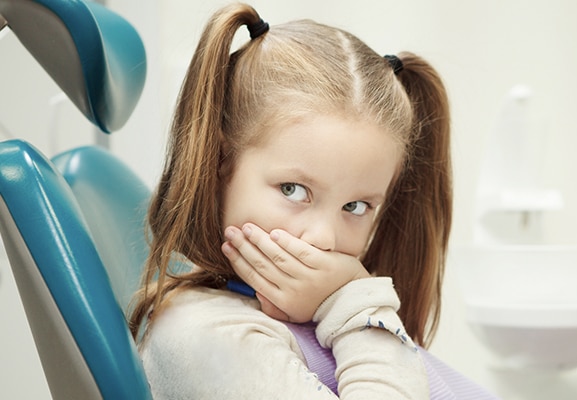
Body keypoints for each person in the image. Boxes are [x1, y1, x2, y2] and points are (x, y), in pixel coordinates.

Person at [128, 2, 496, 399]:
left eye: (356, 207)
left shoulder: (327, 314)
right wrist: (356, 299)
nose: (323, 238)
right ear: (219, 164)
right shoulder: (205, 338)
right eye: (293, 190)